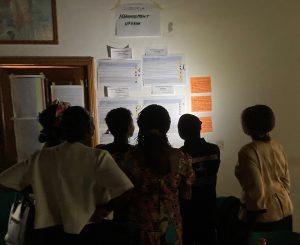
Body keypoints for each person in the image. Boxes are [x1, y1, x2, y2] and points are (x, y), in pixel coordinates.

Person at [0, 106, 134, 245]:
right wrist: (105, 209)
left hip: (51, 234)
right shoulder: (98, 157)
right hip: (92, 230)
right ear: (90, 130)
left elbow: (4, 181)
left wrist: (38, 187)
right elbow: (126, 190)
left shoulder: (40, 157)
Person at [122, 104, 195, 245]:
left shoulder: (129, 159)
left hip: (140, 231)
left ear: (141, 126)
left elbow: (123, 196)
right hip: (172, 231)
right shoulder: (181, 158)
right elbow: (186, 194)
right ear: (167, 127)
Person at [235, 105, 293, 236]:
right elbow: (286, 180)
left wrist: (251, 221)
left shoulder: (247, 151)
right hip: (285, 209)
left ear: (248, 125)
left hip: (262, 216)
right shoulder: (278, 146)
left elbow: (256, 188)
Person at [177, 114, 220, 245]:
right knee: (208, 238)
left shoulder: (181, 154)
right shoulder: (214, 149)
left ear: (181, 132)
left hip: (188, 208)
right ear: (199, 128)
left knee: (188, 239)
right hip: (209, 203)